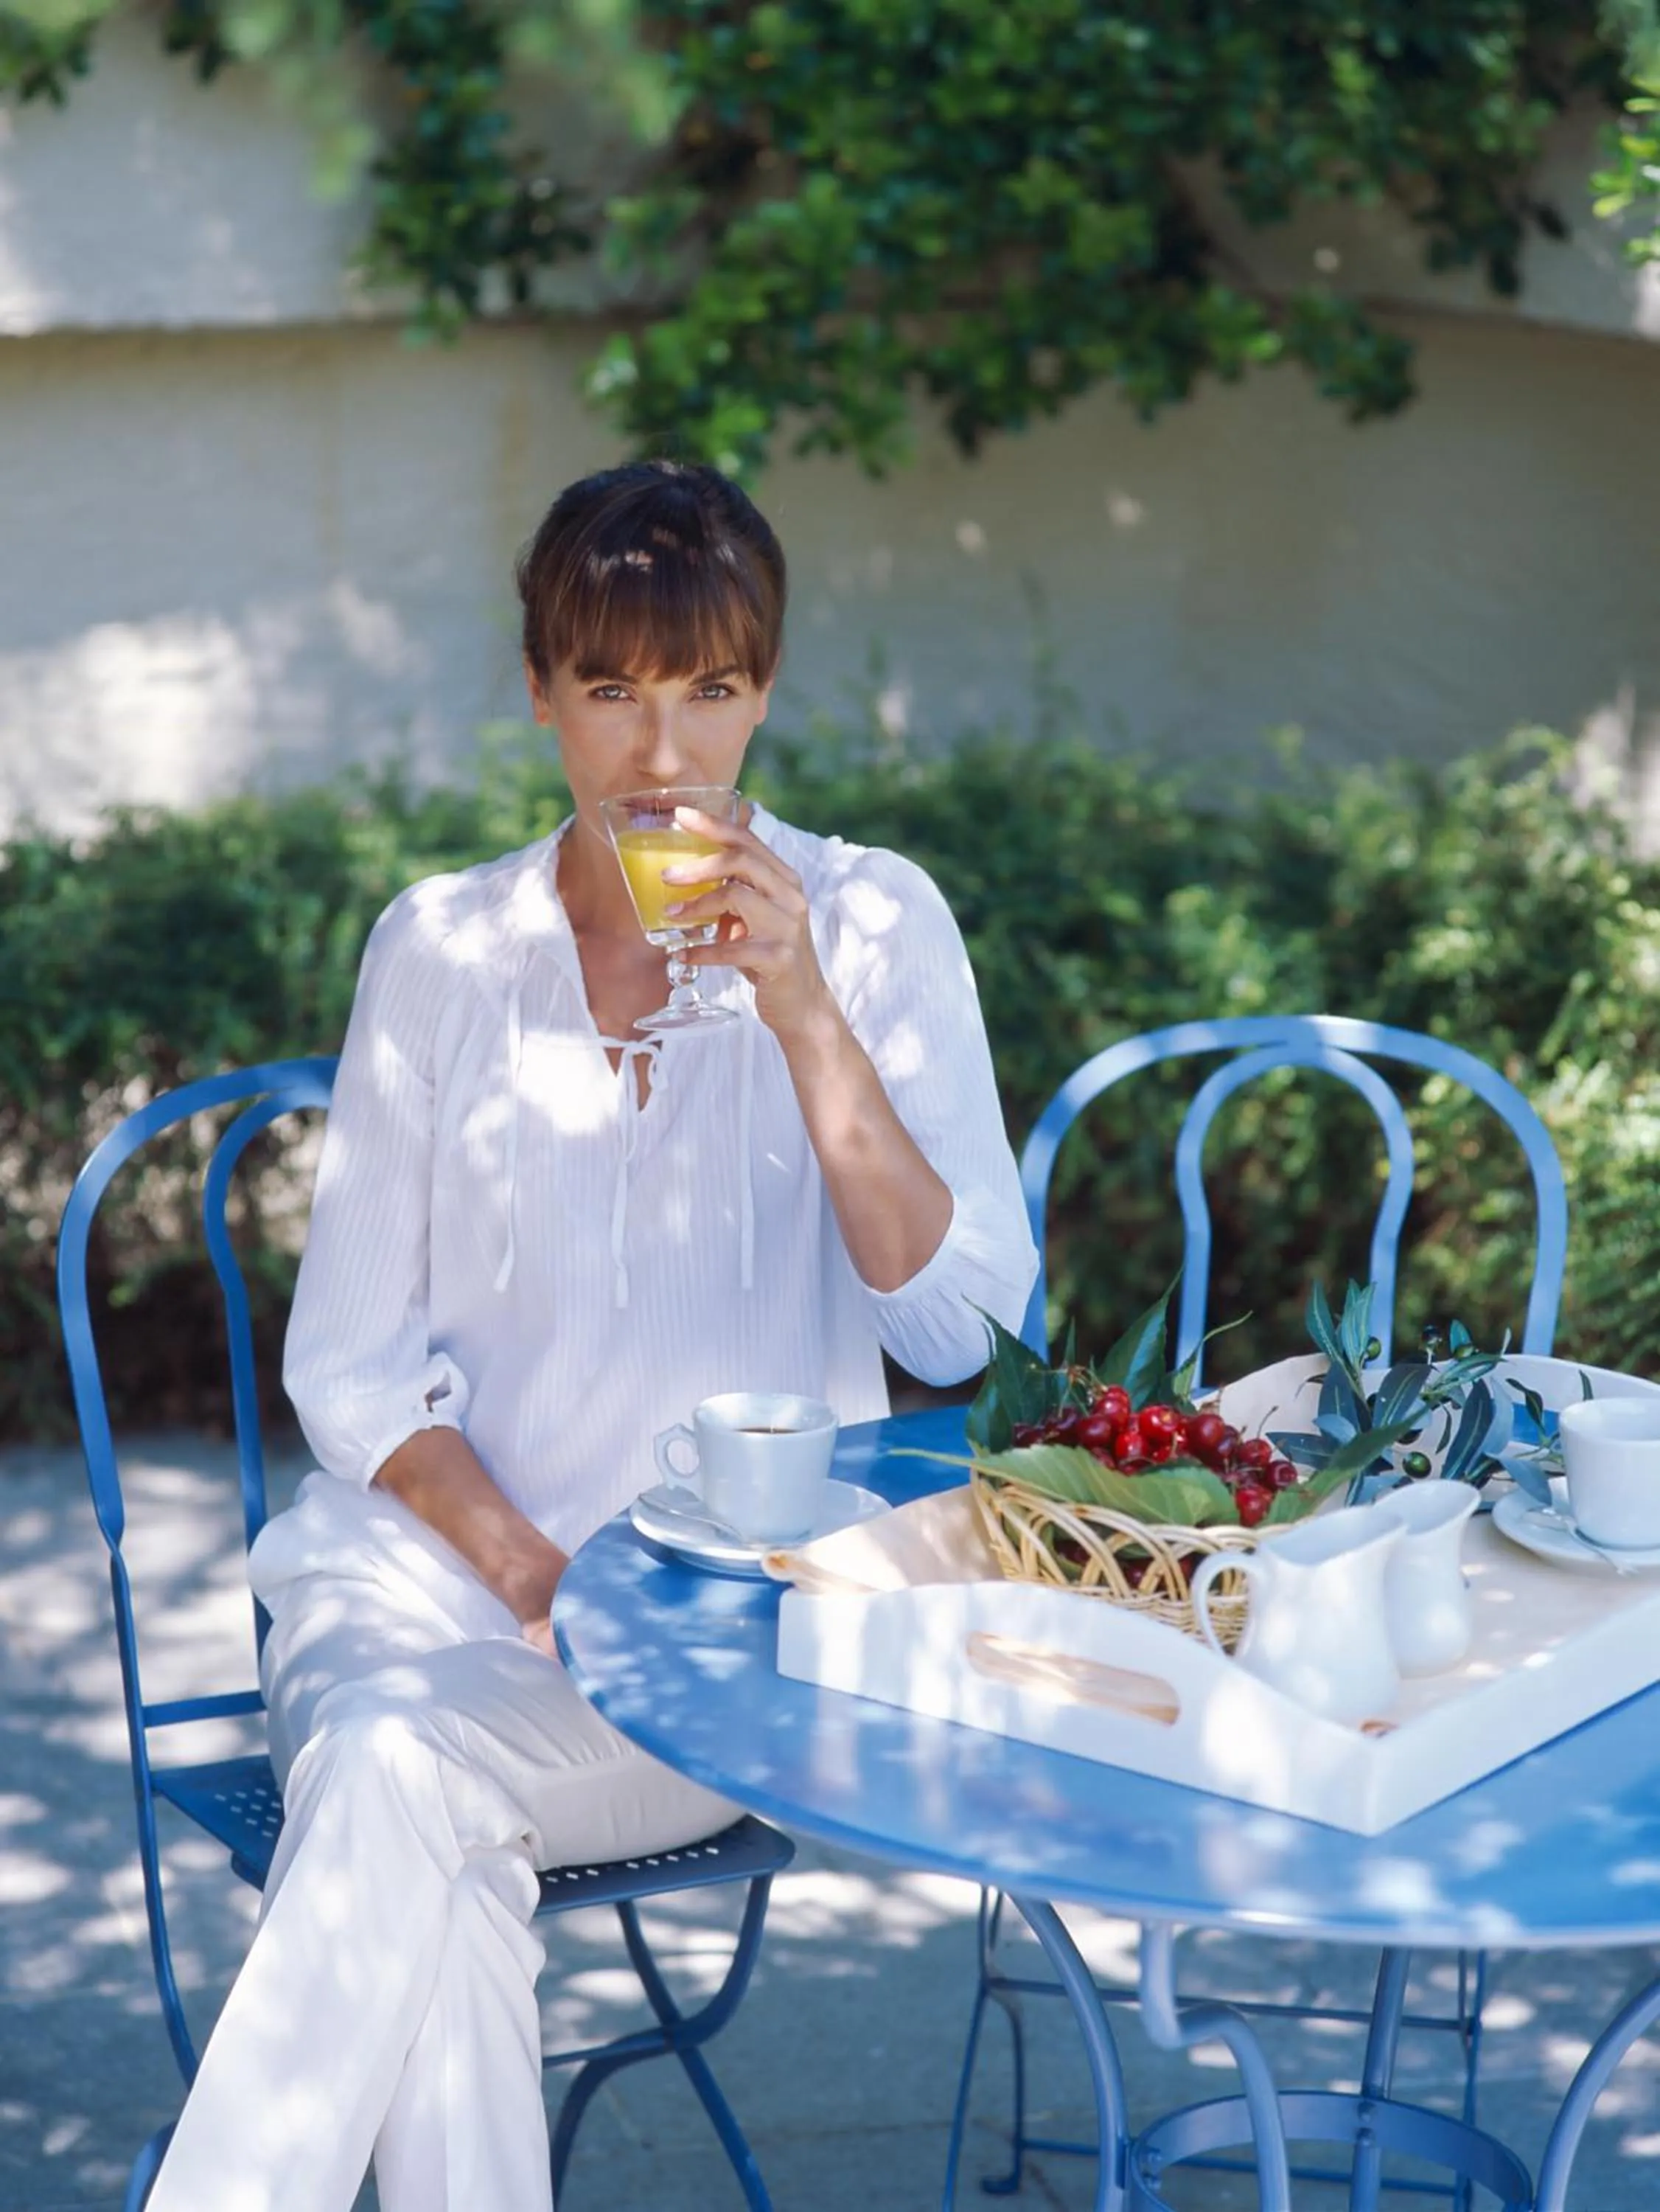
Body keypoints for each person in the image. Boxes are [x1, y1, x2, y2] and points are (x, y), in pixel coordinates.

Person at [144, 460, 1039, 2212]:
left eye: (710, 689)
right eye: (614, 689)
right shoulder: (444, 948)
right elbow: (347, 1368)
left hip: (714, 1637)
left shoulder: (871, 922)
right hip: (410, 1592)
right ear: (541, 688)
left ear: (765, 691)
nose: (663, 753)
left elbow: (957, 1320)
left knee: (402, 1797)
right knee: (414, 1798)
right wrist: (531, 1574)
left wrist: (805, 1021)